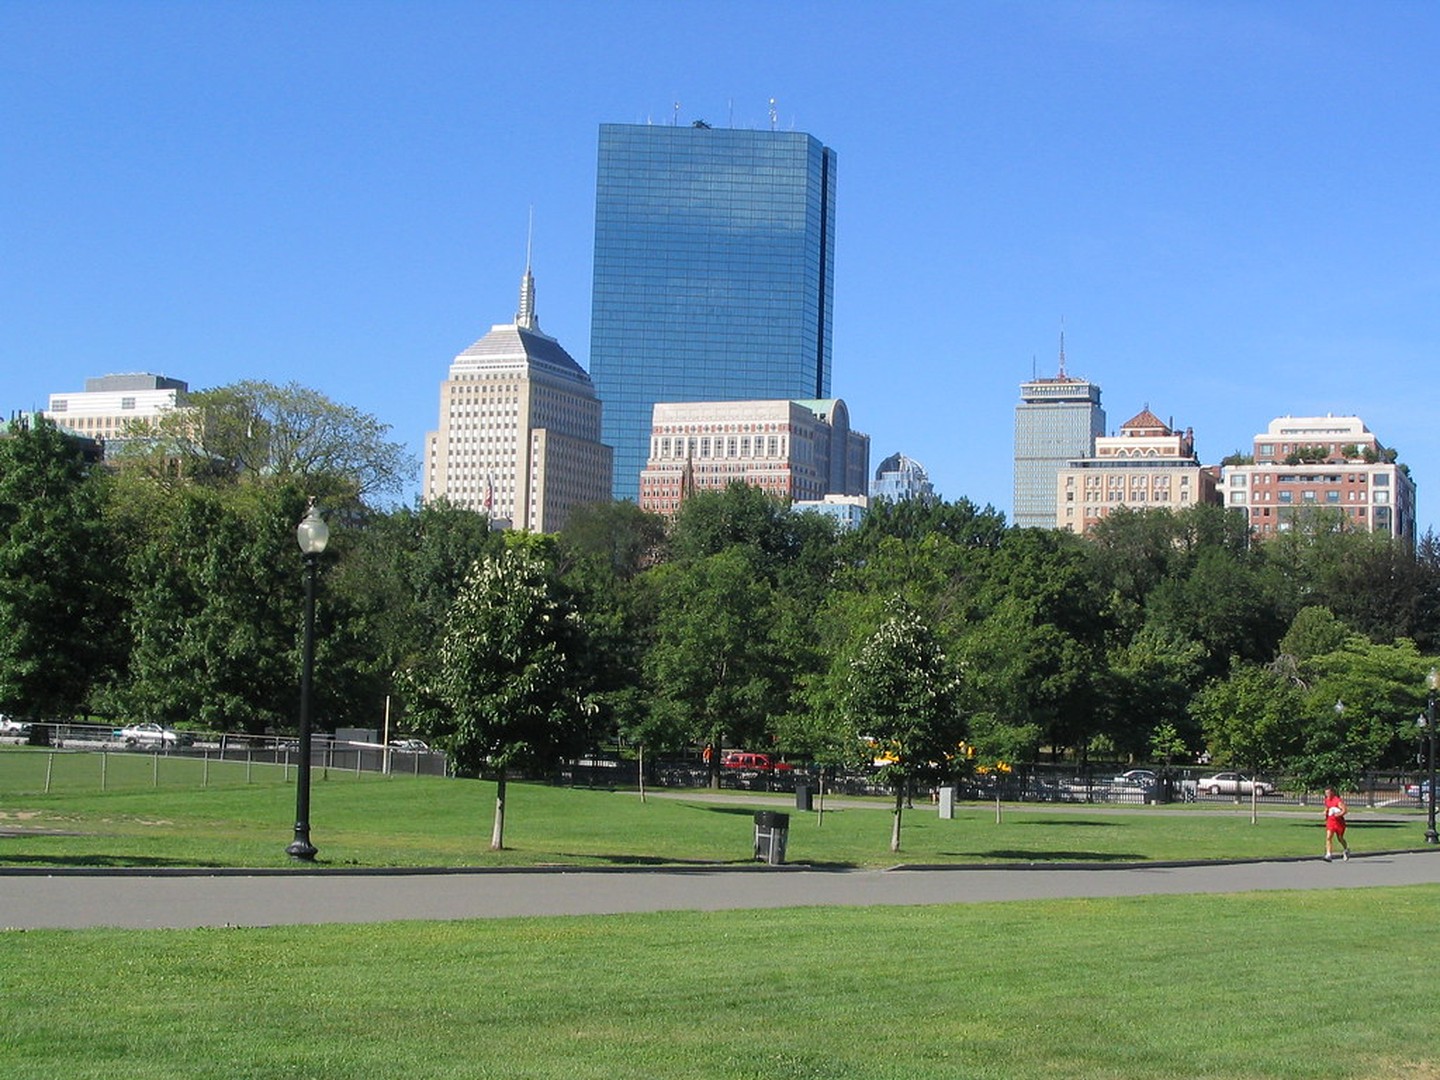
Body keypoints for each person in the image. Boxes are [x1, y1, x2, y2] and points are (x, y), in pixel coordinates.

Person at [1322, 787, 1350, 862]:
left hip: (1339, 822)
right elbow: (1327, 807)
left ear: (1332, 793)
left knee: (1340, 838)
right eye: (1326, 793)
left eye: (1328, 793)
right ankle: (1328, 855)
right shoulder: (1327, 800)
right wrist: (1325, 812)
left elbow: (1345, 810)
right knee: (1328, 837)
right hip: (1330, 821)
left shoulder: (1337, 801)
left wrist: (1338, 814)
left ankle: (1346, 849)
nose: (1327, 794)